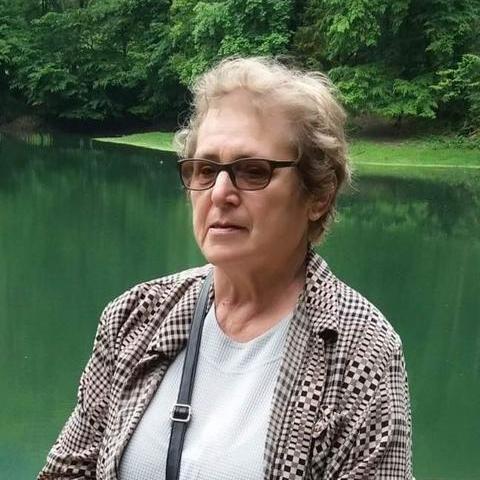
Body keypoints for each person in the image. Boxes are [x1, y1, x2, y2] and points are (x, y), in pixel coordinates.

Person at [39, 57, 412, 480]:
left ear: (318, 195)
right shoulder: (135, 317)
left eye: (253, 172)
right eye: (205, 170)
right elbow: (67, 472)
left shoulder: (361, 352)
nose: (219, 193)